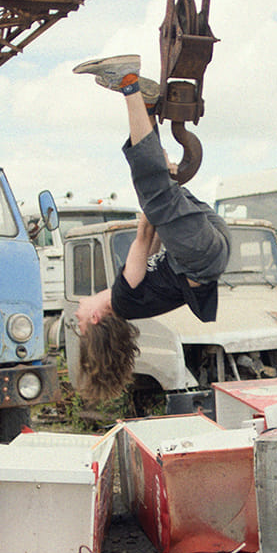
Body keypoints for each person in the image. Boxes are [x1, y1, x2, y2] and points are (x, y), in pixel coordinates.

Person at [70, 54, 231, 402]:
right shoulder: (123, 300)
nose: (76, 316)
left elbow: (154, 240)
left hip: (207, 250)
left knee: (157, 189)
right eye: (78, 323)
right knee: (152, 187)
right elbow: (144, 236)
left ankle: (146, 104)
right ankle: (128, 82)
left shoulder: (132, 299)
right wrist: (160, 189)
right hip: (199, 256)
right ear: (96, 318)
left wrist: (164, 187)